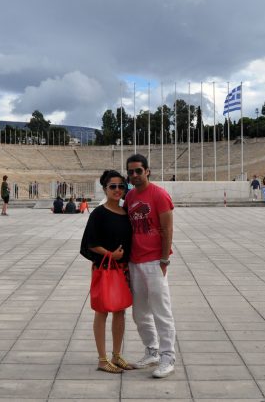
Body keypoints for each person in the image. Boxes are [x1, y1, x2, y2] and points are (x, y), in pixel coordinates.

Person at [124, 153, 177, 378]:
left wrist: (164, 259)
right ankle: (152, 350)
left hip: (155, 261)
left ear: (147, 171)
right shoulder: (130, 196)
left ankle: (168, 357)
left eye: (139, 170)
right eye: (131, 172)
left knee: (161, 311)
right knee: (140, 313)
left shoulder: (159, 194)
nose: (135, 175)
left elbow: (167, 229)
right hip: (135, 261)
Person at [80, 170, 135, 374]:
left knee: (120, 310)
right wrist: (111, 255)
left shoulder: (126, 212)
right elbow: (90, 244)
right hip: (105, 269)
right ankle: (102, 359)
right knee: (102, 310)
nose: (117, 190)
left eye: (121, 186)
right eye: (113, 186)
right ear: (105, 189)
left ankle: (116, 355)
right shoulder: (99, 214)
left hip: (122, 270)